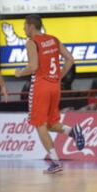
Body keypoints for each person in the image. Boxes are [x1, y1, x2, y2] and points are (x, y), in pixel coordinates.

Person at [15, 14, 85, 174]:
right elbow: (70, 59)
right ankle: (72, 131)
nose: (24, 29)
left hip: (41, 86)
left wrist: (19, 73)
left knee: (38, 124)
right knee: (50, 123)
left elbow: (33, 67)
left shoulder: (32, 42)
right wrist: (59, 76)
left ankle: (55, 162)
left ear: (31, 26)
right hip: (55, 86)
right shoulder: (53, 39)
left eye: (25, 26)